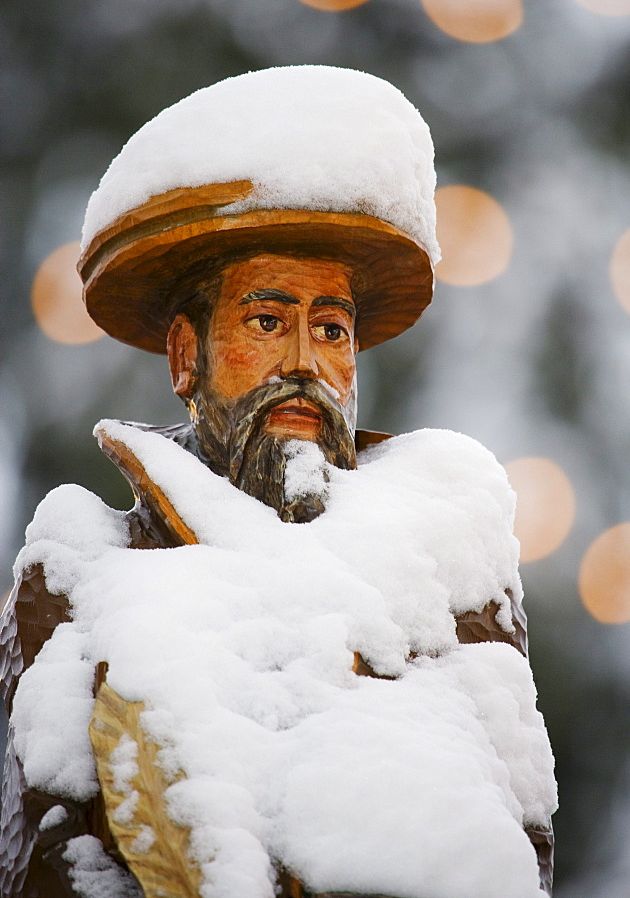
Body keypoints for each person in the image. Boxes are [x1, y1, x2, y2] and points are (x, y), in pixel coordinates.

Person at [0, 65, 557, 898]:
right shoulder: (81, 574)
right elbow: (54, 865)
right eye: (267, 321)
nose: (306, 361)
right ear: (187, 356)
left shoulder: (446, 560)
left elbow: (523, 839)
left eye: (331, 328)